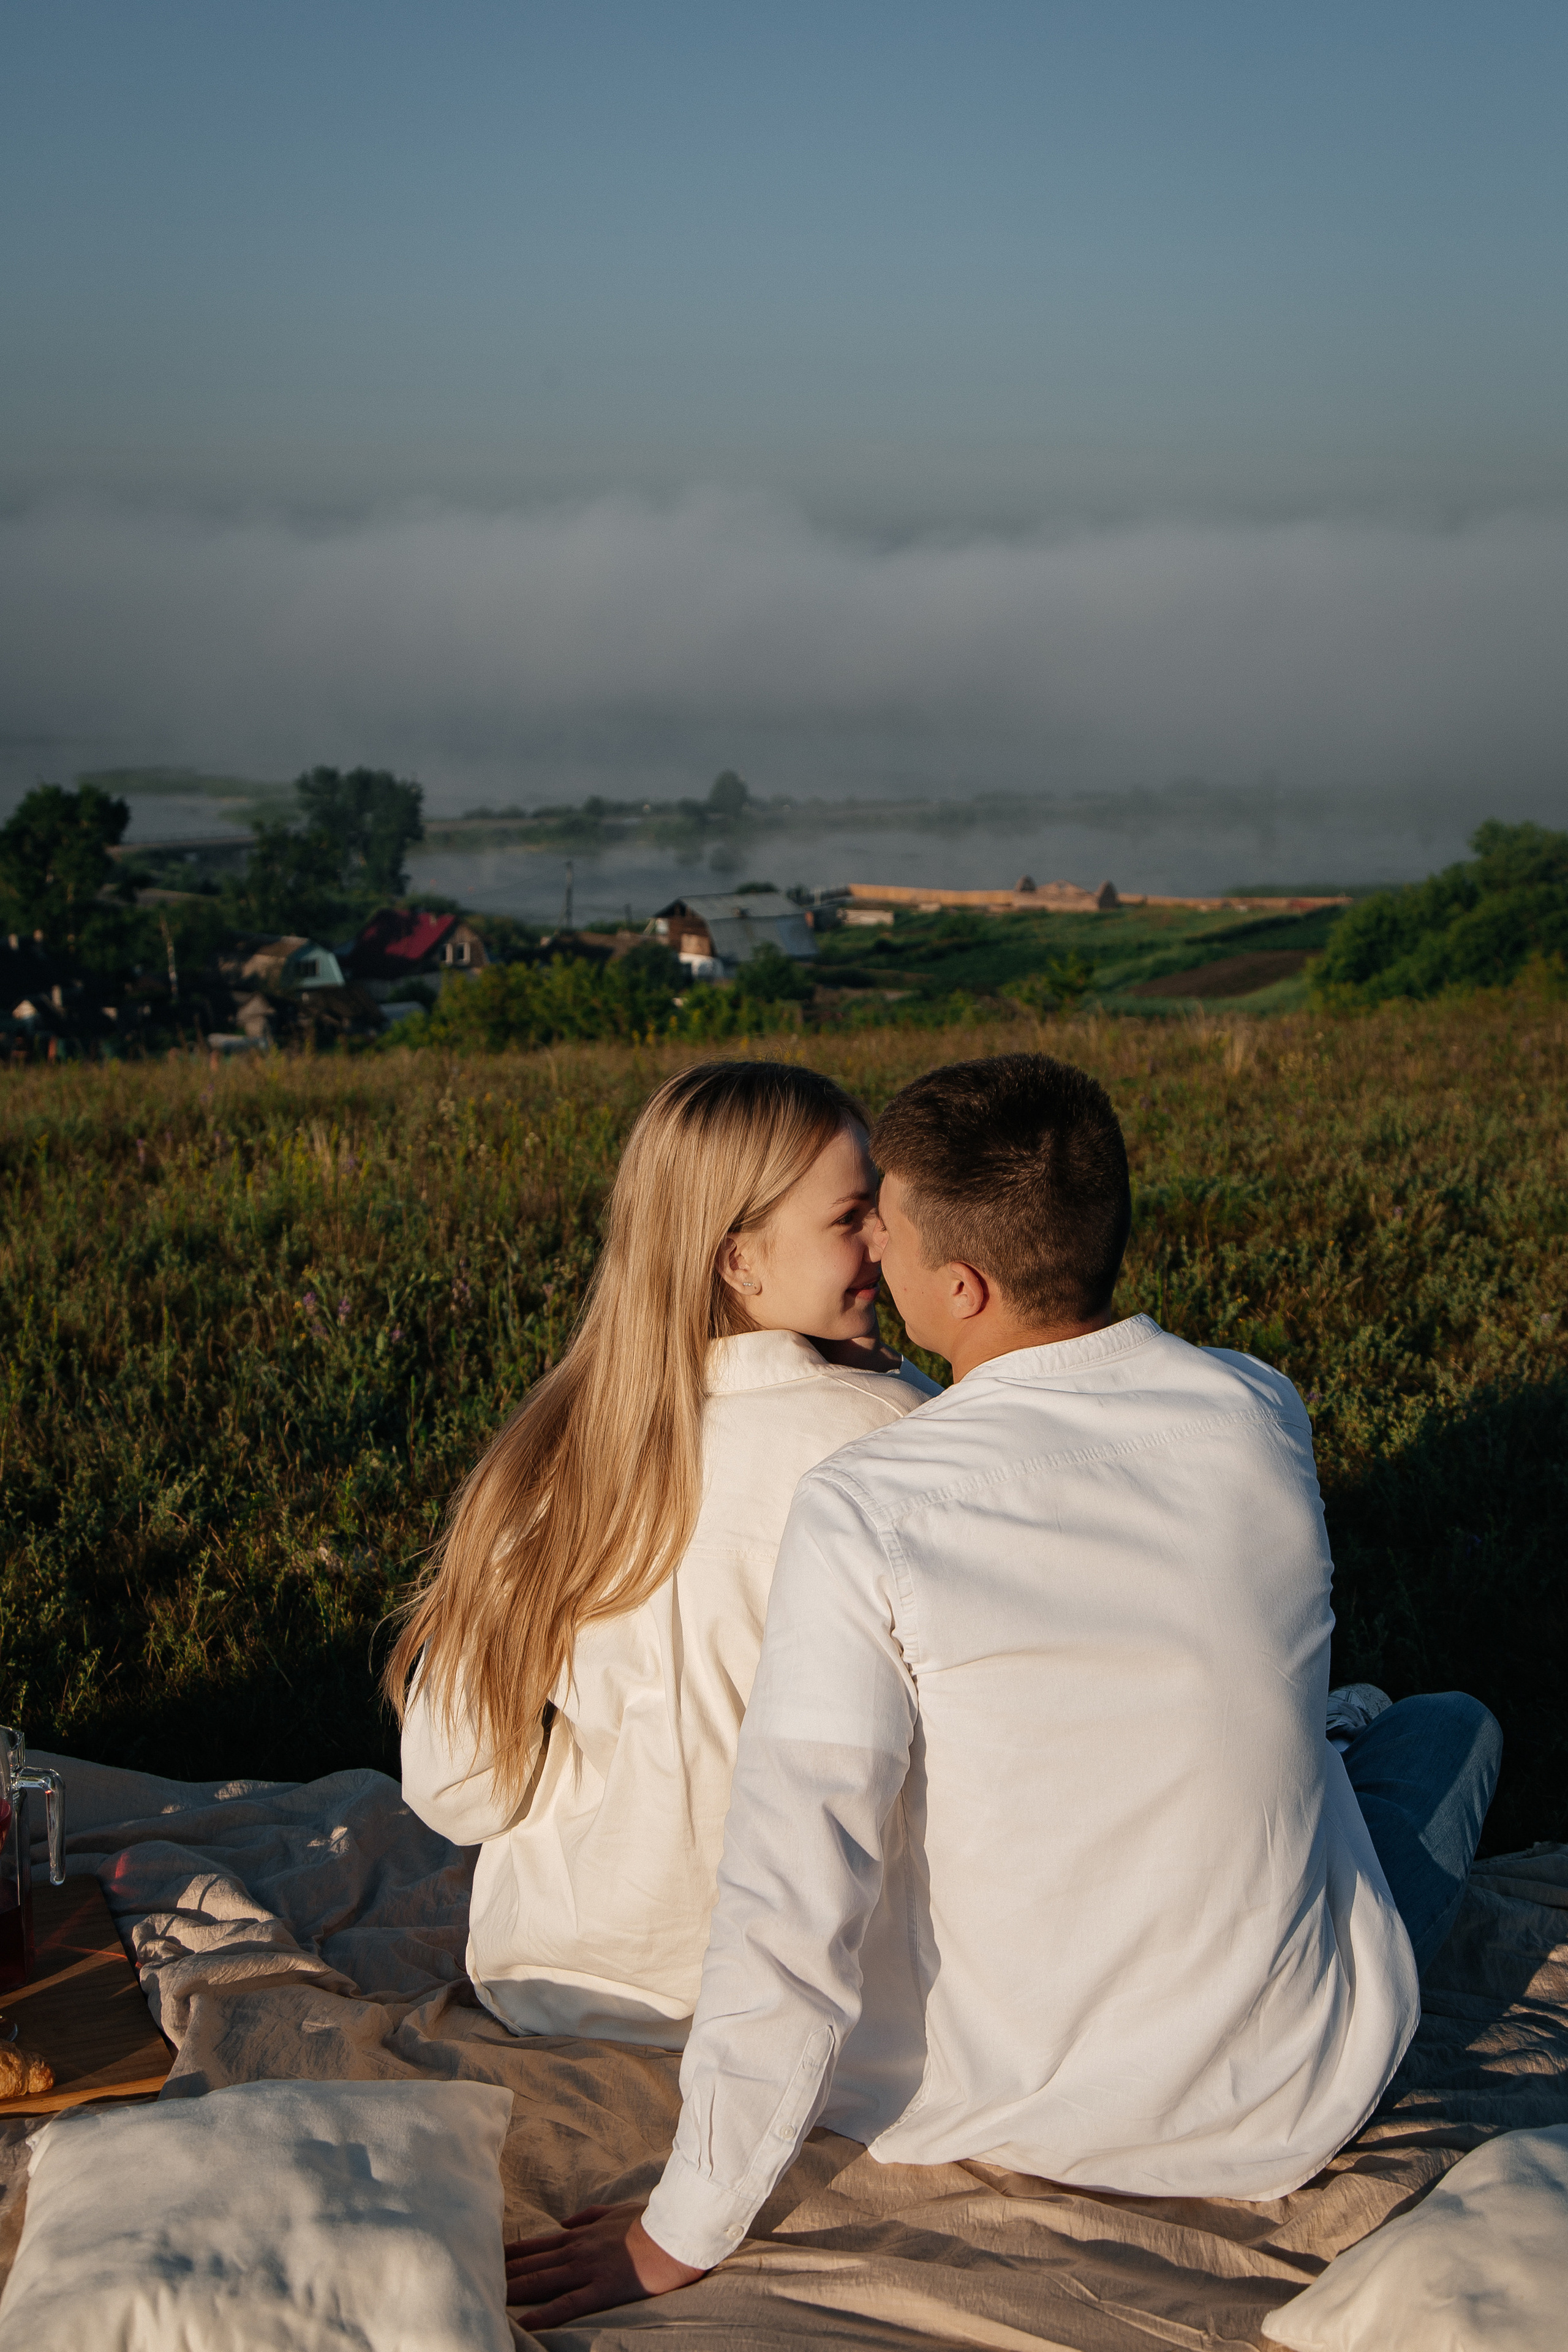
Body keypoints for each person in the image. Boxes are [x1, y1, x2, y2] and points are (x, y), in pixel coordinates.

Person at [505, 1051, 1502, 2323]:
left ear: (960, 1288)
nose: (870, 1246)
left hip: (989, 2095)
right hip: (1277, 2101)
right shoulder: (1260, 1409)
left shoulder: (867, 1504)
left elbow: (791, 1886)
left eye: (887, 1224)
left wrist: (680, 2230)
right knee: (1447, 1728)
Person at [391, 1058, 938, 2045]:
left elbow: (456, 1790)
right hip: (816, 2002)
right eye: (851, 1217)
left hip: (563, 1985)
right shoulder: (895, 1433)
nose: (887, 1241)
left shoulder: (548, 1460)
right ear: (739, 1262)